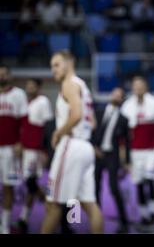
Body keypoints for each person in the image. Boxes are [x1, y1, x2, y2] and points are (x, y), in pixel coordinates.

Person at [41, 51, 103, 234]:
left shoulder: (69, 84)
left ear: (69, 62)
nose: (53, 69)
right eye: (52, 66)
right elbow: (92, 122)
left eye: (57, 64)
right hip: (85, 146)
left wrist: (58, 133)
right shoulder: (83, 85)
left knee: (52, 204)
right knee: (90, 206)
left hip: (71, 145)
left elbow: (76, 115)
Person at [121, 76, 154, 229]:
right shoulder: (127, 106)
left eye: (140, 85)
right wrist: (124, 152)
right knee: (139, 183)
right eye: (135, 86)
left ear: (146, 87)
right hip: (136, 152)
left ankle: (153, 211)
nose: (138, 88)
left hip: (152, 151)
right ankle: (144, 215)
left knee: (151, 181)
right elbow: (124, 133)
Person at [16, 78, 53, 233]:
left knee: (31, 182)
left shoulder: (43, 101)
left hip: (36, 150)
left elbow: (48, 127)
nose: (29, 88)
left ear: (39, 87)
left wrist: (45, 151)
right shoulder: (26, 103)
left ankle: (50, 207)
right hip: (25, 149)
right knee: (30, 184)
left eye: (32, 86)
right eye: (27, 86)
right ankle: (24, 218)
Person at [92, 87, 130, 234]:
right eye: (114, 93)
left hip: (112, 155)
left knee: (114, 188)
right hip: (97, 153)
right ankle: (97, 219)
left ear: (122, 100)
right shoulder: (98, 112)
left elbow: (126, 142)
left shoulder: (124, 119)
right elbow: (90, 131)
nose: (115, 97)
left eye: (119, 96)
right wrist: (93, 147)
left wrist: (126, 161)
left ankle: (124, 222)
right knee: (95, 187)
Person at [0, 65, 27, 234]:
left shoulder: (19, 94)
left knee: (8, 186)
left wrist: (20, 142)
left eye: (4, 73)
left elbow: (25, 122)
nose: (1, 76)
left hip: (10, 150)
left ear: (10, 76)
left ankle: (4, 226)